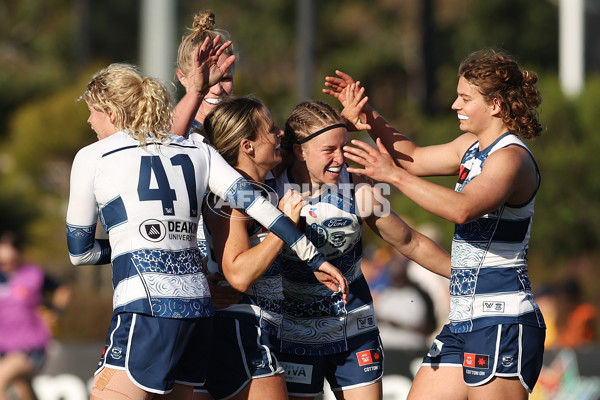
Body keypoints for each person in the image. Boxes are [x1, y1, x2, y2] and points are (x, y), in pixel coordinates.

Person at [66, 50, 347, 398]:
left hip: (146, 307)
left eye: (92, 113)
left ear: (109, 112)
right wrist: (316, 259)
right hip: (200, 311)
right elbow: (262, 208)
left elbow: (80, 253)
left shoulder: (94, 155)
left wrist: (137, 240)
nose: (90, 123)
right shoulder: (197, 149)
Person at [327, 48, 546, 399]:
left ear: (495, 106)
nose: (454, 105)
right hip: (462, 320)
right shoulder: (470, 147)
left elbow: (463, 209)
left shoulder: (512, 158)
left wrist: (392, 176)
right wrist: (369, 114)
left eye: (464, 98)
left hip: (503, 320)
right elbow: (412, 157)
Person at [274, 100, 450, 400]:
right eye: (329, 150)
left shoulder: (359, 188)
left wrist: (469, 275)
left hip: (353, 329)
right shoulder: (271, 185)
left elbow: (409, 241)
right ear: (300, 150)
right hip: (294, 333)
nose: (340, 159)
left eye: (343, 147)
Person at [192, 96, 304, 400]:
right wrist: (284, 227)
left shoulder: (261, 186)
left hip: (250, 325)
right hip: (241, 326)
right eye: (271, 129)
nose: (280, 133)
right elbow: (238, 273)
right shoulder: (230, 199)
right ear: (247, 146)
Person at [0, 231, 70, 400]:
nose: (6, 265)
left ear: (20, 254)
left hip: (30, 347)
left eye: (10, 261)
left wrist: (55, 312)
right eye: (2, 262)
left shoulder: (33, 274)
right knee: (23, 389)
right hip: (4, 347)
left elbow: (63, 291)